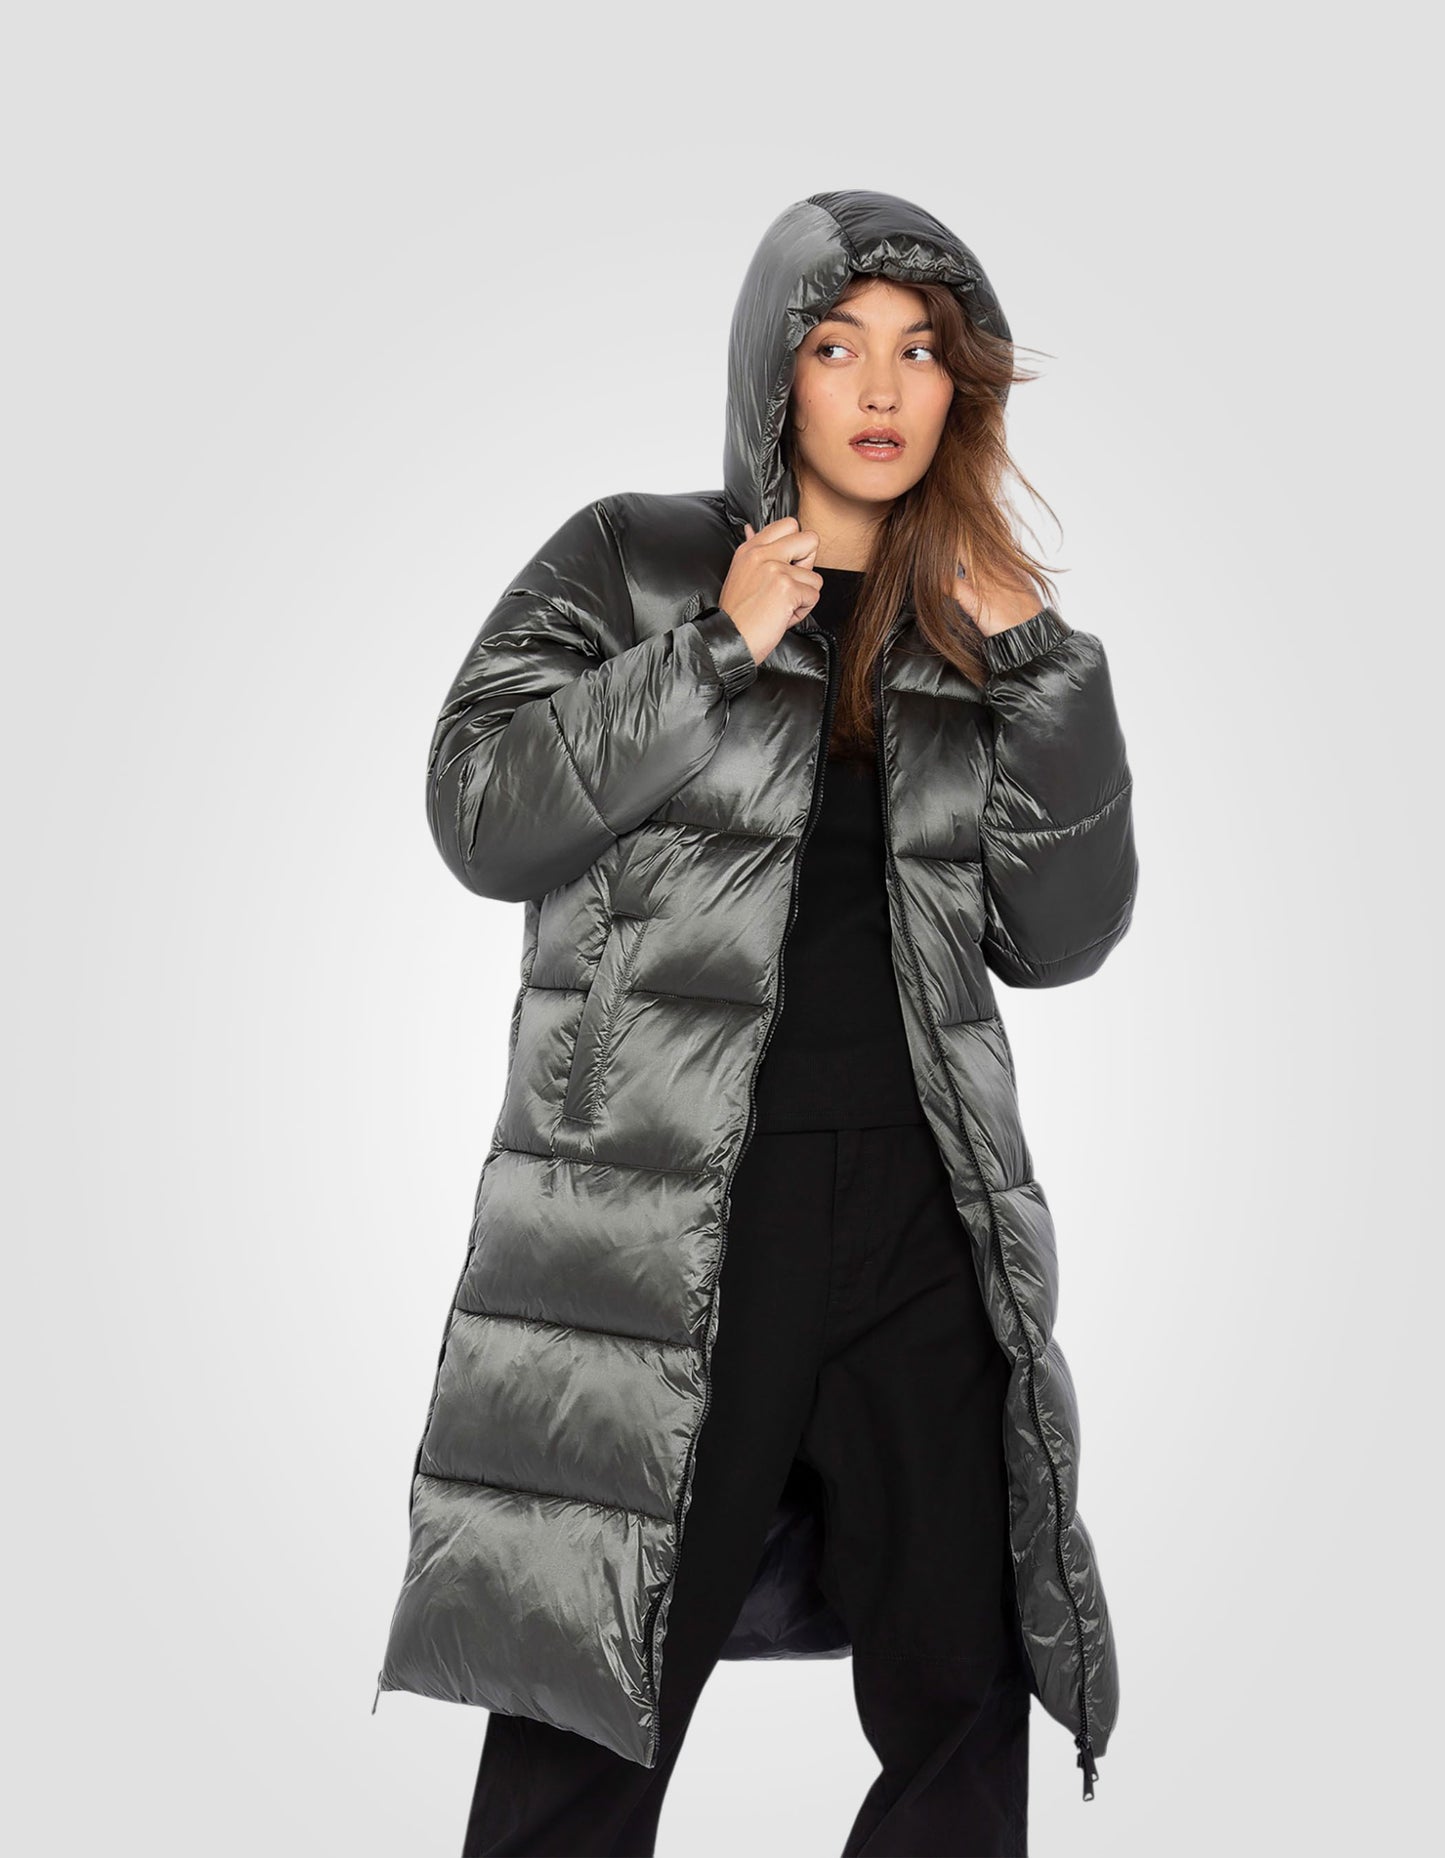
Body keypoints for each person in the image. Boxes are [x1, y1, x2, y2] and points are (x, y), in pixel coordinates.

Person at [376, 190, 1138, 1858]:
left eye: (917, 352)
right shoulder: (631, 559)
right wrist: (718, 645)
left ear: (959, 387)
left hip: (925, 1211)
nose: (879, 387)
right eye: (835, 344)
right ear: (773, 371)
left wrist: (1040, 668)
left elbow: (1062, 937)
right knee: (598, 1682)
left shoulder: (976, 627)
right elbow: (480, 812)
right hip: (680, 1216)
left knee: (963, 1681)